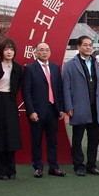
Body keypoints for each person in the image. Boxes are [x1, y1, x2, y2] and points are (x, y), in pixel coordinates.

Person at [62, 36, 99, 176]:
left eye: (90, 45)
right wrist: (68, 106)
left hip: (95, 108)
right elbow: (66, 88)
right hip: (78, 107)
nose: (88, 47)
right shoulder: (70, 65)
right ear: (78, 47)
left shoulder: (96, 63)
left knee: (94, 138)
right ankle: (78, 165)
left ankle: (91, 165)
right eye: (85, 45)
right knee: (77, 138)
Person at [23, 42, 66, 178]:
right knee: (36, 141)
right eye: (41, 50)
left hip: (53, 110)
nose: (44, 52)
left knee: (52, 141)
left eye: (47, 50)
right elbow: (26, 92)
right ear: (36, 53)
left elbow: (58, 89)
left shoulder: (55, 67)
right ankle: (38, 167)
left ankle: (53, 167)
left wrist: (60, 108)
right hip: (37, 111)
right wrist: (31, 111)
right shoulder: (30, 68)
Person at [0, 38, 23, 180]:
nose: (9, 52)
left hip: (10, 102)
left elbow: (17, 86)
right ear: (1, 51)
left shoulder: (18, 68)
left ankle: (10, 170)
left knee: (11, 136)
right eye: (6, 49)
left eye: (11, 49)